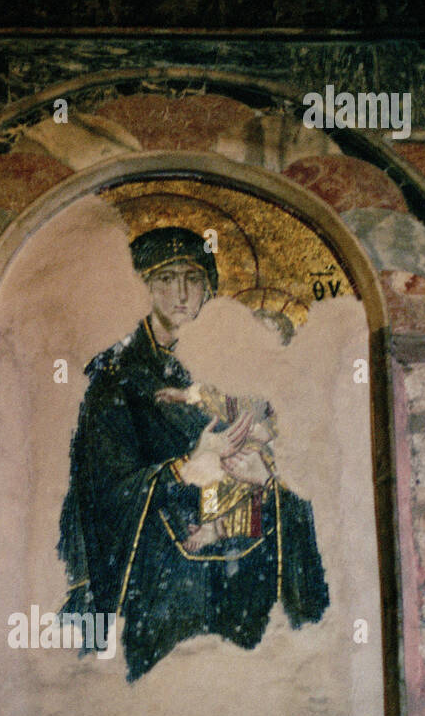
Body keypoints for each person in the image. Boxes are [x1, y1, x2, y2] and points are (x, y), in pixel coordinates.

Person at [57, 225, 329, 682]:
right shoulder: (117, 381)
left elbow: (297, 466)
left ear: (211, 287)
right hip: (164, 593)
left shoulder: (242, 367)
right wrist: (185, 469)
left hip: (245, 585)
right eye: (165, 279)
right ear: (141, 288)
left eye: (194, 278)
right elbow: (98, 498)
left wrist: (269, 480)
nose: (182, 293)